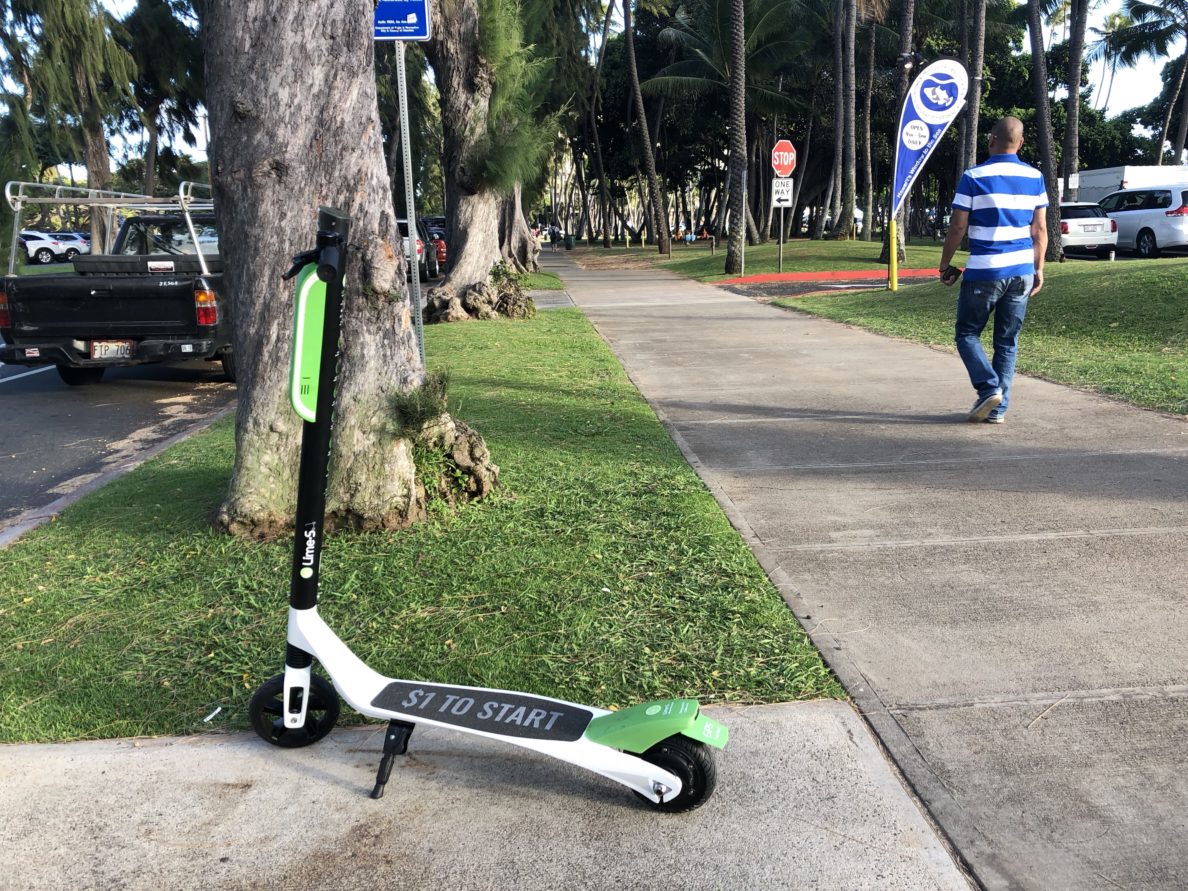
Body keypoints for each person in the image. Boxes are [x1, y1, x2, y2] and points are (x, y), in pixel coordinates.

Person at [939, 116, 1048, 424]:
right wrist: (1038, 269)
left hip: (985, 270)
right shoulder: (1035, 177)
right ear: (1021, 143)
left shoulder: (974, 176)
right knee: (1007, 342)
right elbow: (1039, 229)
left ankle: (988, 389)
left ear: (991, 141)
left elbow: (958, 225)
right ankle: (998, 410)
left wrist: (945, 263)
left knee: (967, 333)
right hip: (1021, 270)